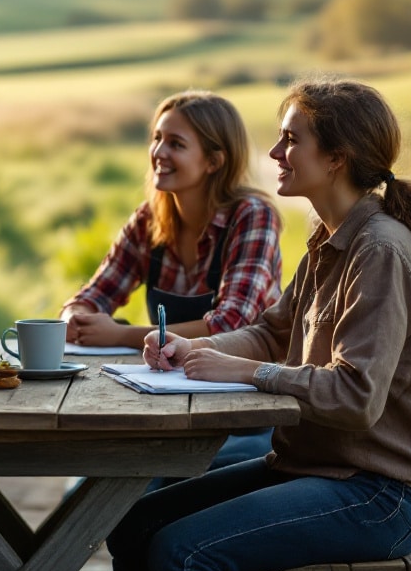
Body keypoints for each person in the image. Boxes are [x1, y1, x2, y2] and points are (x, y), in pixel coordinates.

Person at [106, 77, 411, 571]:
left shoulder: (380, 251)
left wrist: (249, 373)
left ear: (337, 158)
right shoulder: (329, 239)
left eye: (291, 139)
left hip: (375, 494)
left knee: (181, 557)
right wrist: (198, 351)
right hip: (310, 468)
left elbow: (357, 395)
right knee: (134, 526)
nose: (275, 152)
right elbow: (273, 332)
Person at [60, 91, 283, 475]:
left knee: (133, 481)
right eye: (157, 139)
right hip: (169, 404)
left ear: (214, 161)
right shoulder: (150, 220)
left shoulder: (252, 216)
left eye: (176, 144)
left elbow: (231, 324)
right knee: (92, 470)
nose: (159, 152)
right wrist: (75, 318)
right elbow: (91, 297)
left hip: (244, 416)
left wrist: (118, 335)